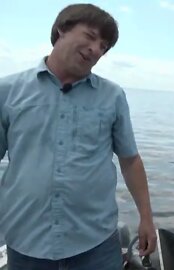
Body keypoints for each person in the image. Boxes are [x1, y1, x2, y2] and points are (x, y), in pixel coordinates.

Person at [0, 4, 157, 270]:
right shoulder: (7, 91)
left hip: (95, 242)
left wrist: (146, 217)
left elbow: (130, 160)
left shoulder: (113, 96)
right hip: (26, 242)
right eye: (90, 36)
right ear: (61, 29)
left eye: (104, 47)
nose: (96, 49)